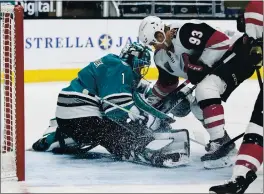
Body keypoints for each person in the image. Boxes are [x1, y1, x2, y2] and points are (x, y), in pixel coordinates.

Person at [31, 42, 191, 168]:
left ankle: (58, 138)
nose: (141, 69)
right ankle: (142, 151)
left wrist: (159, 113)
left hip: (69, 118)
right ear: (132, 59)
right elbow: (116, 109)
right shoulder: (121, 68)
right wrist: (148, 121)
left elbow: (134, 97)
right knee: (113, 131)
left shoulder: (113, 65)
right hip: (81, 116)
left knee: (95, 131)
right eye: (140, 65)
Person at [138, 14, 262, 169]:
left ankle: (220, 144)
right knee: (197, 107)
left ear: (160, 32)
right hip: (219, 69)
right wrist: (149, 107)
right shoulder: (161, 57)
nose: (155, 46)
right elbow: (166, 85)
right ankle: (224, 143)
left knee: (205, 89)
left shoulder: (184, 32)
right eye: (151, 44)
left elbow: (221, 41)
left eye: (154, 40)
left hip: (237, 55)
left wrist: (202, 64)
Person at [209, 0, 263, 193]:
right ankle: (240, 177)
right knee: (257, 128)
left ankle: (240, 177)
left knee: (257, 127)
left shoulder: (255, 8)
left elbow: (256, 10)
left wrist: (256, 42)